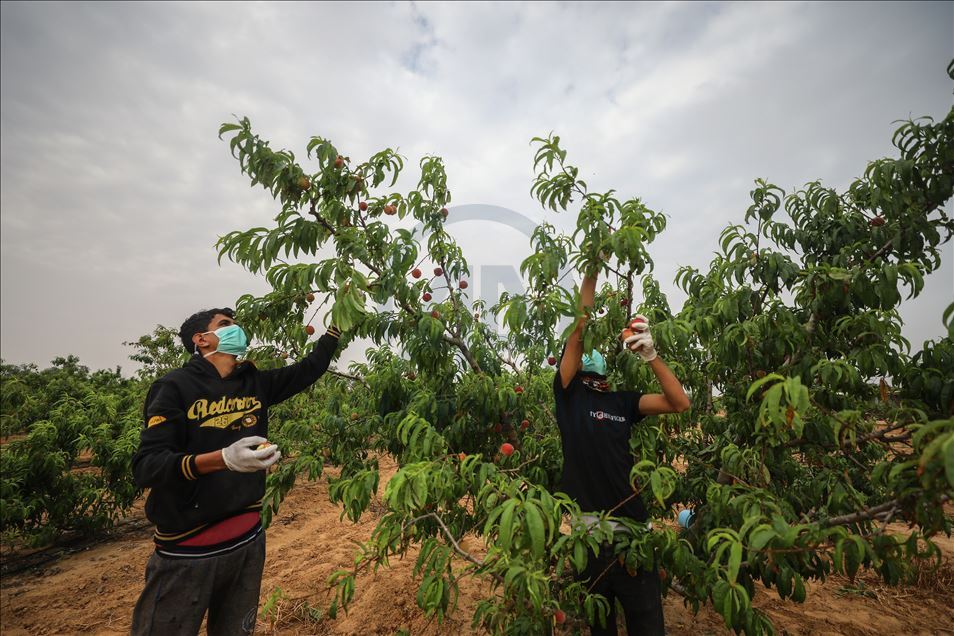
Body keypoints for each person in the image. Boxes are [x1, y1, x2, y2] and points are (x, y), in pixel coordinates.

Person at [130, 307, 342, 635]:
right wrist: (222, 459)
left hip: (248, 541)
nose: (237, 329)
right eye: (226, 325)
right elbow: (148, 466)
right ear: (201, 340)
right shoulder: (174, 387)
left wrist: (335, 329)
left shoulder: (252, 382)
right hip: (188, 551)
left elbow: (308, 370)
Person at [554, 270, 690, 636]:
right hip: (590, 538)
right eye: (586, 356)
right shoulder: (568, 397)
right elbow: (579, 332)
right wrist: (591, 275)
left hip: (635, 534)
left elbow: (679, 403)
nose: (593, 358)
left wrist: (652, 355)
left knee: (648, 627)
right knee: (601, 628)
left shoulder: (622, 402)